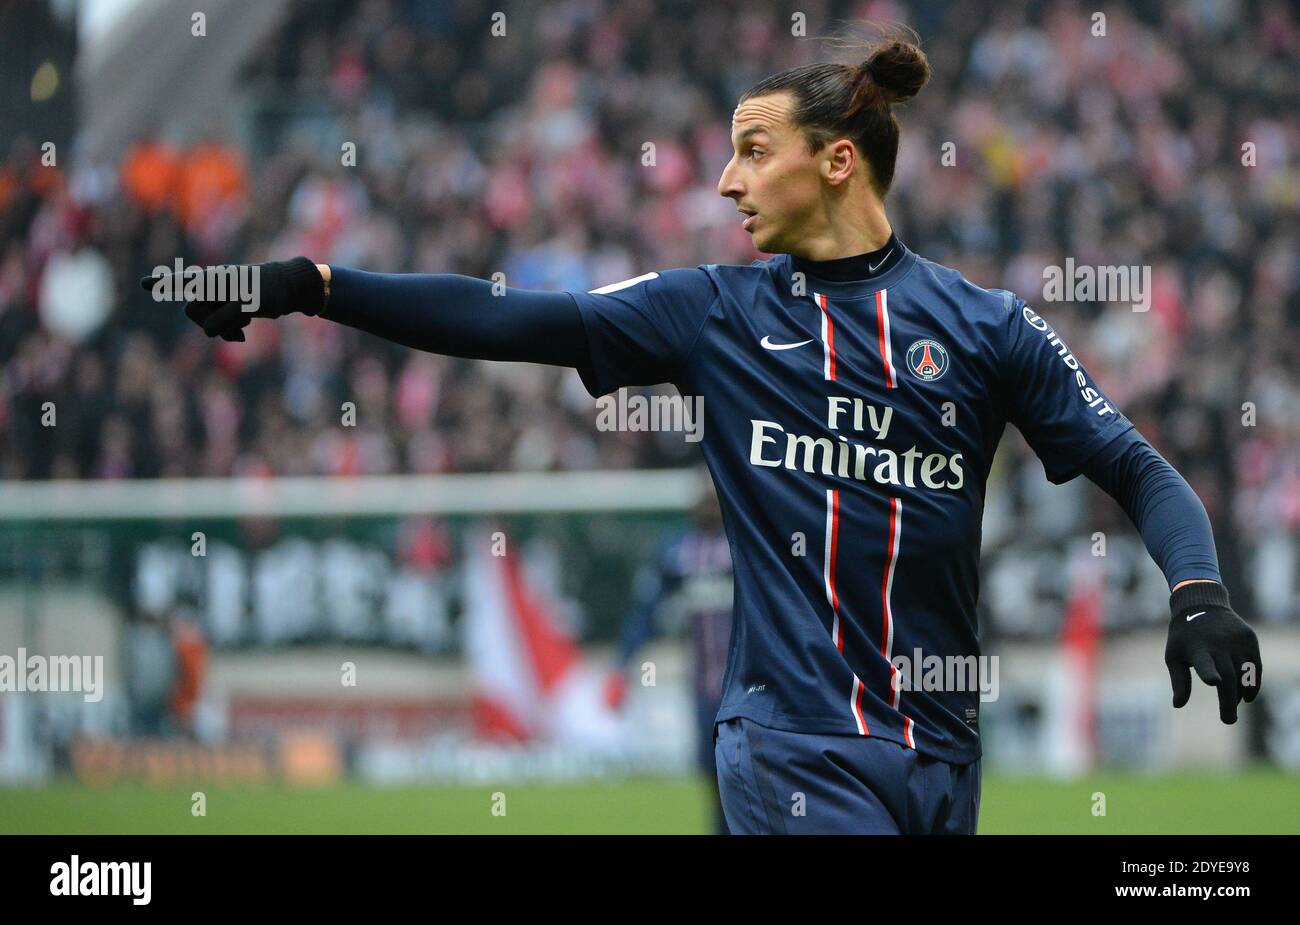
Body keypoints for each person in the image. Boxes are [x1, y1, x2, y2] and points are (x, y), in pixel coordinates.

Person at [142, 35, 1263, 835]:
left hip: (939, 757)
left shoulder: (984, 328)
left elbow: (1134, 465)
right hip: (791, 745)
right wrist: (307, 282)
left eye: (753, 149)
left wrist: (1197, 588)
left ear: (837, 160)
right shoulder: (714, 312)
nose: (725, 179)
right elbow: (499, 313)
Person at [605, 480, 733, 834]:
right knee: (711, 771)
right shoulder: (679, 552)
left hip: (746, 684)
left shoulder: (743, 547)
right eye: (702, 501)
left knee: (744, 768)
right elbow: (645, 612)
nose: (708, 508)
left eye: (713, 501)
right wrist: (622, 666)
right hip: (703, 683)